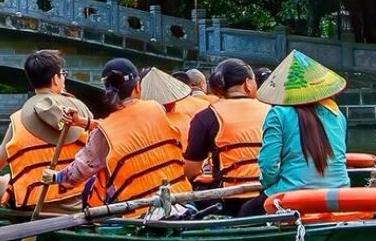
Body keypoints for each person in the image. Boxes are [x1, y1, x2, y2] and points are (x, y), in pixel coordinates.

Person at [47, 58, 192, 207]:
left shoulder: (105, 131)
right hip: (181, 199)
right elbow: (126, 127)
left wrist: (56, 177)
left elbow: (79, 172)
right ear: (137, 87)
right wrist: (82, 122)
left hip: (138, 212)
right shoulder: (157, 108)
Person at [0, 49, 91, 207]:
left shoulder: (18, 120)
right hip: (81, 200)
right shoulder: (82, 114)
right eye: (63, 74)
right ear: (55, 79)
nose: (64, 78)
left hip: (34, 204)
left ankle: (17, 217)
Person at [253, 50, 349, 206]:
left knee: (246, 211)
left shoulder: (278, 113)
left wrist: (270, 185)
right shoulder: (337, 114)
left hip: (292, 193)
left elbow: (268, 164)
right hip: (339, 192)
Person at [181, 59, 269, 190]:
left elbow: (191, 171)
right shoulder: (271, 111)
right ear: (247, 84)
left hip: (227, 195)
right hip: (270, 192)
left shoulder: (206, 116)